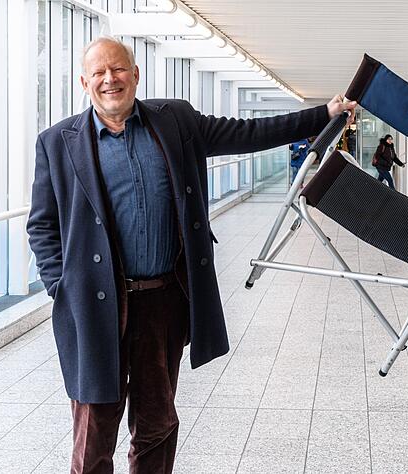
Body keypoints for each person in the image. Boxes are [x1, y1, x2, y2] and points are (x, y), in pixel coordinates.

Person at [26, 36, 356, 473]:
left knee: (157, 424)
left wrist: (324, 114)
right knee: (94, 432)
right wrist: (62, 287)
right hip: (93, 308)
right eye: (100, 73)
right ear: (84, 82)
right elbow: (42, 226)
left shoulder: (175, 121)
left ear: (136, 74)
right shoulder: (57, 143)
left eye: (119, 69)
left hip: (162, 301)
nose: (111, 79)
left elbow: (249, 133)